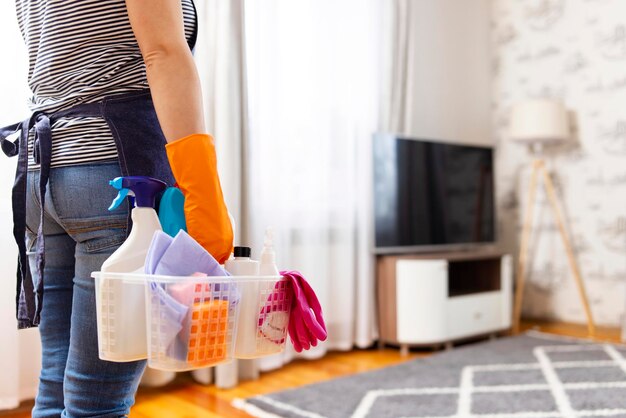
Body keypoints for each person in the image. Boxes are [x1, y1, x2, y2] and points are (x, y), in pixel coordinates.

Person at [0, 0, 232, 416]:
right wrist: (203, 188)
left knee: (56, 384)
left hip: (46, 173)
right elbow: (162, 52)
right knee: (96, 399)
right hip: (117, 175)